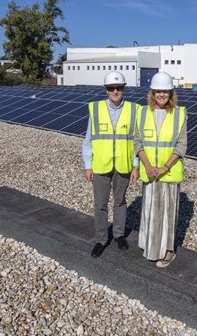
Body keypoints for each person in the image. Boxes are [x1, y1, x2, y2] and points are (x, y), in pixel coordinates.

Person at [82, 71, 139, 258]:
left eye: (119, 88)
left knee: (120, 201)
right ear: (106, 90)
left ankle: (119, 235)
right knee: (100, 204)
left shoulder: (134, 109)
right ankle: (100, 240)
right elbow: (88, 140)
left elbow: (137, 141)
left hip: (123, 164)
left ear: (124, 89)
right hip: (101, 164)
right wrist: (87, 164)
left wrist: (135, 166)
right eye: (111, 88)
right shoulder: (96, 109)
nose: (115, 91)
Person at [134, 72, 187, 268]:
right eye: (158, 91)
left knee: (168, 214)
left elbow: (182, 145)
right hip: (150, 172)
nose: (162, 95)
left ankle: (168, 250)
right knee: (150, 210)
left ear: (171, 93)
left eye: (166, 91)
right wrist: (147, 166)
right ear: (152, 93)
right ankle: (151, 244)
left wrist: (165, 167)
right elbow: (137, 141)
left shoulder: (179, 113)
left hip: (169, 173)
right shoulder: (141, 112)